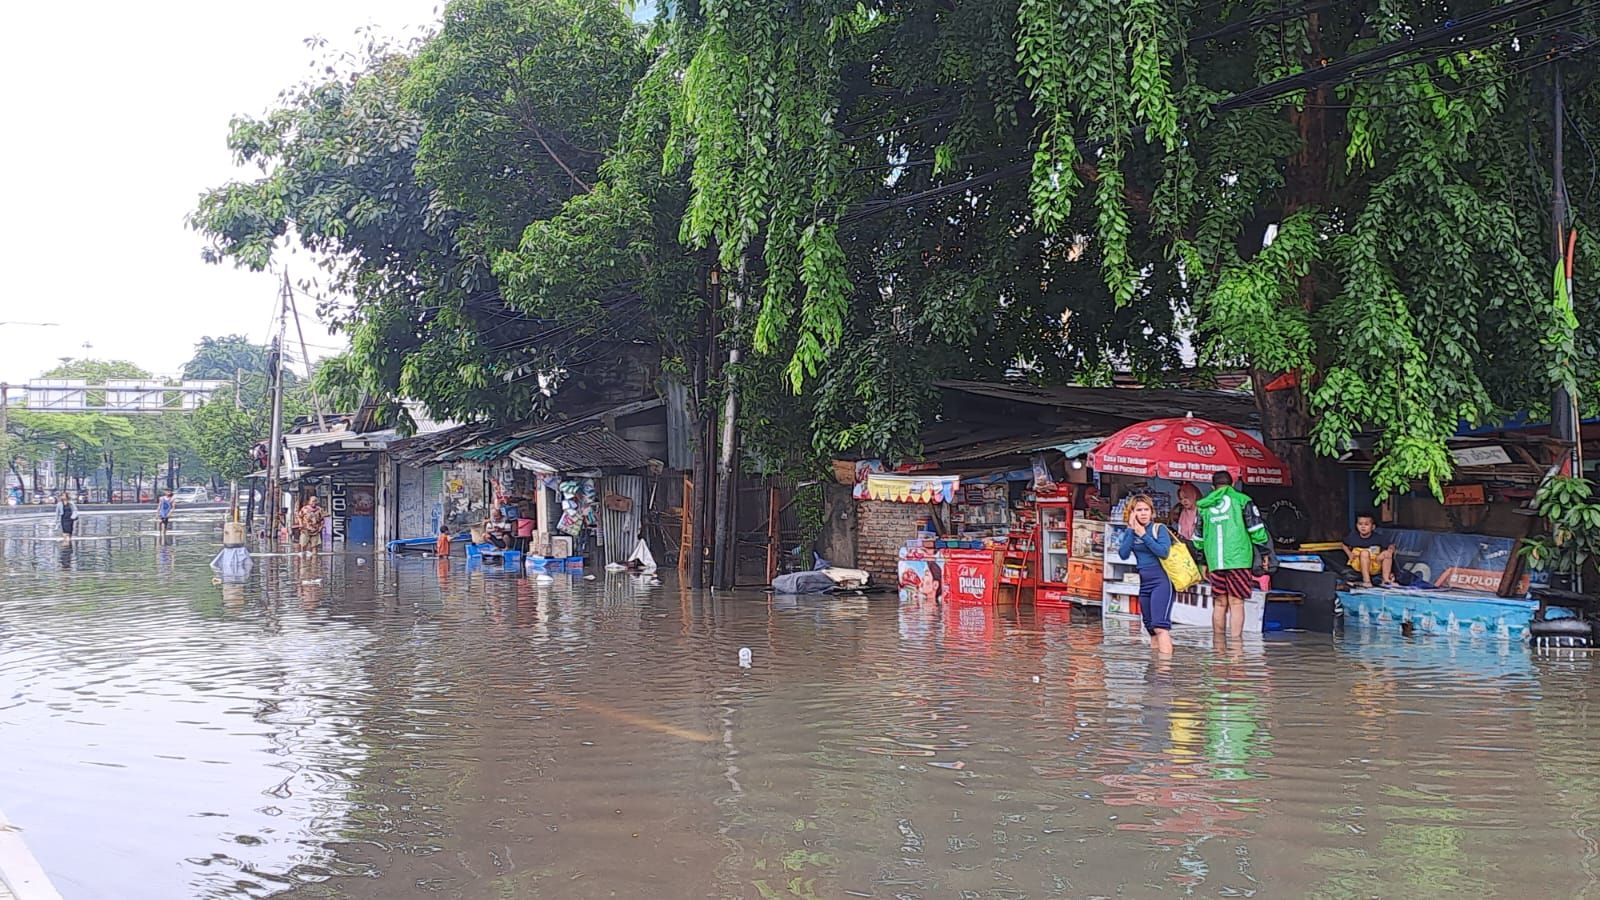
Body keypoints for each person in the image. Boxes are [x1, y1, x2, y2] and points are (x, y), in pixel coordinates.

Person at [1195, 471, 1271, 638]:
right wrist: (1265, 553)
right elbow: (1256, 530)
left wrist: (1203, 561)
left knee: (1219, 603)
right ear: (1233, 484)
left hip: (1215, 560)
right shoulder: (1242, 501)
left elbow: (1198, 538)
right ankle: (1237, 648)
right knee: (1236, 603)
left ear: (1212, 487)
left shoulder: (1203, 506)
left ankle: (1218, 647)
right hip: (1239, 560)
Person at [1117, 494, 1175, 655]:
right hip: (1145, 582)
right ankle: (1155, 668)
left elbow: (1163, 552)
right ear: (1132, 512)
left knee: (1160, 626)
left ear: (1152, 512)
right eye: (1139, 510)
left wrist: (1144, 535)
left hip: (1162, 581)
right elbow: (1123, 553)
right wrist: (1131, 530)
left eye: (1146, 510)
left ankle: (1165, 671)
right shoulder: (1132, 532)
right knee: (1150, 627)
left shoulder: (1159, 529)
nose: (1143, 513)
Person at [1343, 512, 1397, 588]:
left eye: (1366, 524)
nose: (1363, 527)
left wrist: (1389, 551)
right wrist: (1349, 554)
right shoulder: (1353, 537)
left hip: (1374, 562)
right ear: (1356, 525)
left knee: (1386, 553)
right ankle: (1367, 581)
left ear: (1373, 527)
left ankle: (1386, 580)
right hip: (1359, 563)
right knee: (1365, 553)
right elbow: (1344, 545)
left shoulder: (1378, 537)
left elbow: (1391, 545)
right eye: (1360, 524)